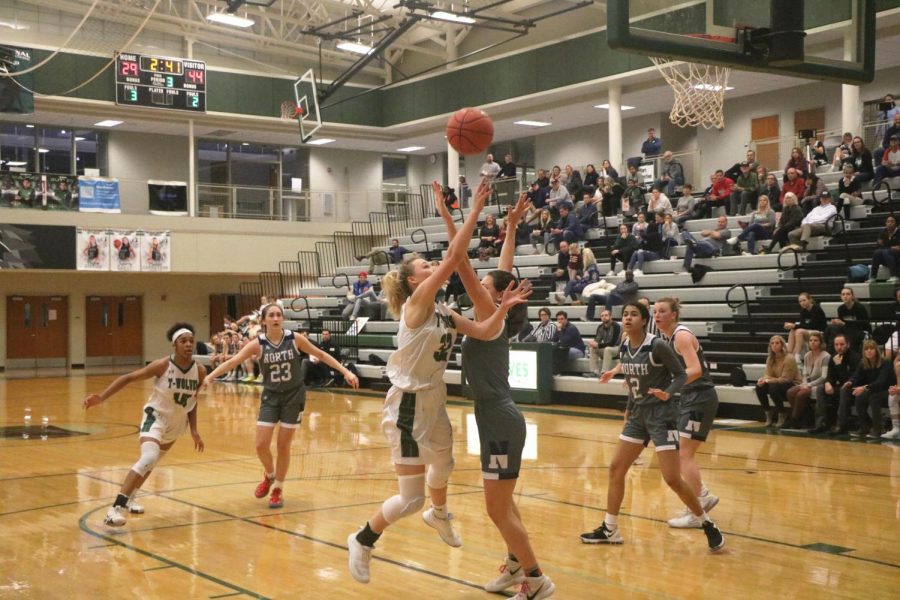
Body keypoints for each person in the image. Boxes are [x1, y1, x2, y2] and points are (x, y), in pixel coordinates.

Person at [346, 181, 532, 586]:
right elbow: (456, 258)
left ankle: (440, 512)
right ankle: (363, 538)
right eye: (424, 268)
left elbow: (483, 327)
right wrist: (473, 209)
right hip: (409, 402)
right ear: (414, 282)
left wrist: (502, 305)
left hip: (436, 398)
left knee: (445, 465)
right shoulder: (418, 305)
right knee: (411, 497)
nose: (432, 268)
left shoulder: (446, 312)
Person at [437, 188, 554, 599]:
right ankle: (516, 563)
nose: (480, 291)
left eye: (486, 289)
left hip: (500, 419)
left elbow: (461, 261)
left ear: (497, 297)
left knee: (495, 508)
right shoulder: (495, 308)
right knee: (504, 506)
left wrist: (462, 216)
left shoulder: (489, 311)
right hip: (491, 418)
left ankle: (537, 579)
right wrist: (511, 227)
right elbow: (499, 270)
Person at [581, 301, 724, 551]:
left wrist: (668, 393)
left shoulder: (657, 345)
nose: (627, 318)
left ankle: (706, 522)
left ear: (644, 320)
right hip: (638, 415)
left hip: (661, 415)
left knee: (672, 478)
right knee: (616, 469)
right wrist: (616, 373)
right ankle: (610, 528)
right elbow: (632, 368)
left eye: (634, 315)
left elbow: (681, 374)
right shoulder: (625, 344)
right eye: (624, 314)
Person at [204, 304, 359, 508]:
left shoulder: (294, 339)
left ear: (282, 318)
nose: (276, 318)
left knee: (283, 446)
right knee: (260, 444)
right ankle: (269, 475)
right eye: (271, 315)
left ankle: (278, 488)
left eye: (279, 315)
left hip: (293, 396)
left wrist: (345, 372)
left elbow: (320, 354)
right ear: (264, 320)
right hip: (270, 396)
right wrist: (210, 376)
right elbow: (233, 362)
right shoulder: (257, 344)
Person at [84, 324, 206, 526]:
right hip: (155, 417)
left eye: (191, 340)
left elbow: (193, 401)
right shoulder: (162, 365)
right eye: (183, 341)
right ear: (174, 345)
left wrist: (194, 429)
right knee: (148, 457)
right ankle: (114, 509)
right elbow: (128, 377)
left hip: (176, 424)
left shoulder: (199, 371)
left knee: (151, 463)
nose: (189, 344)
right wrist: (101, 398)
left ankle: (131, 498)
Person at [654, 298, 721, 529]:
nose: (657, 315)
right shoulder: (668, 338)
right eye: (654, 312)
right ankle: (699, 498)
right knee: (683, 453)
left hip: (699, 396)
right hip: (692, 396)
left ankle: (699, 501)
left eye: (662, 311)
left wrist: (670, 386)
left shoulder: (681, 336)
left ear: (674, 314)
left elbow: (695, 369)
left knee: (684, 455)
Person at [838, 340, 892, 438]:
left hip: (888, 390)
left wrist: (864, 387)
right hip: (873, 389)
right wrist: (850, 382)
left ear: (876, 350)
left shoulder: (885, 363)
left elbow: (881, 382)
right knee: (859, 397)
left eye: (871, 349)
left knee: (873, 397)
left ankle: (878, 429)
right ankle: (864, 427)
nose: (869, 351)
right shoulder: (863, 363)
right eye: (866, 349)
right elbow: (856, 375)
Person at [782, 332, 830, 430]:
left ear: (821, 342)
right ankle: (803, 417)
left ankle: (794, 419)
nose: (813, 343)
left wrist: (809, 384)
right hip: (807, 383)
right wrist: (804, 383)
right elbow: (804, 374)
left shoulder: (826, 356)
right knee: (790, 392)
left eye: (815, 340)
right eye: (811, 340)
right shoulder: (807, 355)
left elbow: (824, 377)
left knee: (800, 394)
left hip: (819, 384)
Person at [815, 334, 859, 434]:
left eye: (842, 344)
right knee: (820, 388)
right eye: (836, 344)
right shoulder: (833, 357)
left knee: (844, 389)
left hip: (853, 388)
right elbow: (830, 376)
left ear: (848, 344)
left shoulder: (855, 358)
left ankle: (841, 425)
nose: (839, 347)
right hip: (842, 388)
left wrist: (839, 365)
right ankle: (821, 424)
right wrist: (827, 383)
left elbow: (849, 380)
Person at [755, 336, 801, 427]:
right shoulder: (770, 358)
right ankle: (768, 412)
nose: (774, 345)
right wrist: (763, 379)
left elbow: (786, 379)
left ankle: (782, 412)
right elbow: (768, 374)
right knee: (759, 387)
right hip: (778, 382)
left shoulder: (789, 358)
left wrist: (768, 380)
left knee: (773, 387)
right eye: (772, 343)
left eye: (777, 343)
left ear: (782, 345)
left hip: (792, 383)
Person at [784, 292, 827, 361]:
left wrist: (794, 325)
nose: (802, 303)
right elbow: (803, 324)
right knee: (793, 330)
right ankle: (789, 352)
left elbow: (812, 325)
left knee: (798, 331)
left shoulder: (817, 309)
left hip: (819, 332)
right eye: (800, 301)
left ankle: (797, 356)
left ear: (810, 300)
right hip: (809, 331)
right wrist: (793, 326)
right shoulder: (803, 311)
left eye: (804, 300)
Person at [825, 287, 870, 351]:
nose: (845, 296)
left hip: (860, 331)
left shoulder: (860, 308)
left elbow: (862, 325)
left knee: (849, 335)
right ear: (841, 297)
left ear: (852, 296)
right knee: (830, 328)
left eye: (848, 294)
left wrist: (844, 324)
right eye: (843, 294)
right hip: (846, 330)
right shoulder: (841, 309)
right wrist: (836, 322)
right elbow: (842, 324)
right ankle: (831, 352)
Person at [587, 310, 621, 375]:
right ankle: (594, 372)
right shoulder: (600, 327)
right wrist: (593, 344)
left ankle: (604, 373)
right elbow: (597, 340)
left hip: (617, 349)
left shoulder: (616, 326)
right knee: (593, 348)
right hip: (606, 349)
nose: (604, 317)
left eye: (606, 315)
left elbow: (613, 343)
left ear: (611, 317)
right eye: (602, 316)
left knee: (608, 349)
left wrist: (598, 345)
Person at [868, 214, 900, 284]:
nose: (890, 223)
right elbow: (879, 244)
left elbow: (897, 248)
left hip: (897, 257)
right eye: (888, 221)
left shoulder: (899, 232)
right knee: (877, 252)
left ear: (896, 223)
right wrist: (891, 247)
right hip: (886, 257)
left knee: (886, 251)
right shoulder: (883, 232)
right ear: (886, 223)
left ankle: (894, 276)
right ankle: (873, 277)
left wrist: (887, 246)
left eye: (892, 221)